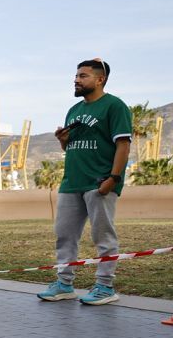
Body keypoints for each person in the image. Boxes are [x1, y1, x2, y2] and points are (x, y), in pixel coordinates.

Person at [37, 58, 132, 306]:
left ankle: (105, 287)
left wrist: (113, 178)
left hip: (99, 182)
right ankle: (64, 284)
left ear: (100, 79)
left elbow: (123, 144)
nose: (76, 80)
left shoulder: (114, 106)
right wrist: (63, 140)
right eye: (76, 75)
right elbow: (72, 147)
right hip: (72, 183)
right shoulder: (74, 110)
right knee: (64, 235)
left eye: (83, 76)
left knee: (103, 236)